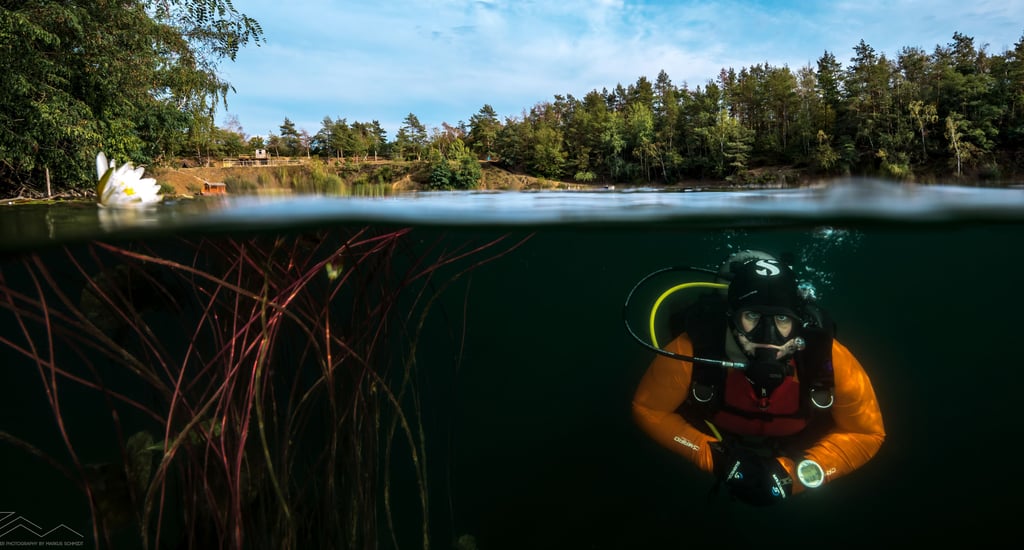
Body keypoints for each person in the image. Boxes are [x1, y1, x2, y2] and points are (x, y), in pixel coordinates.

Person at [631, 250, 885, 506]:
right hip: (717, 436)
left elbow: (866, 434)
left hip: (797, 446)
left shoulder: (828, 360)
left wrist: (795, 475)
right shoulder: (692, 351)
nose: (767, 336)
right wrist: (713, 457)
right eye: (752, 316)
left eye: (782, 318)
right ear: (731, 317)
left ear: (798, 323)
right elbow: (649, 409)